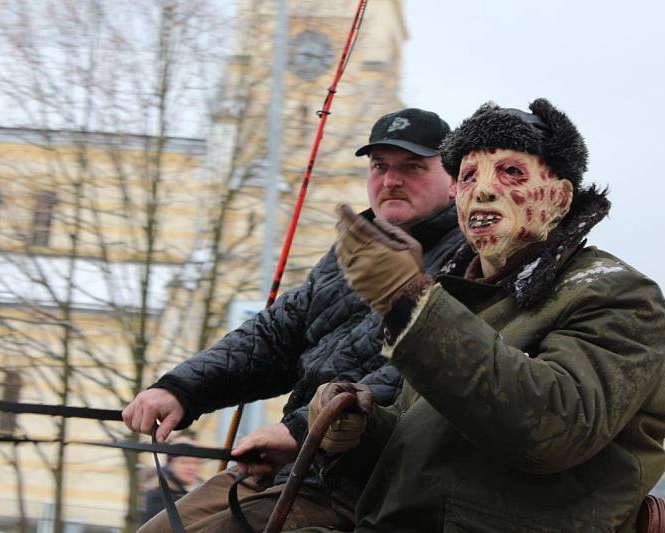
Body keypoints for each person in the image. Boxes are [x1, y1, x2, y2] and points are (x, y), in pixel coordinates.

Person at [307, 99, 665, 532]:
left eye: (511, 173)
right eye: (467, 176)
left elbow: (553, 428)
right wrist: (362, 430)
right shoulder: (461, 301)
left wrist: (412, 303)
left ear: (559, 197)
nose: (482, 190)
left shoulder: (619, 293)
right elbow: (435, 450)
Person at [123, 108, 465, 532]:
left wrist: (301, 432)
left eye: (412, 167)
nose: (391, 180)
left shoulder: (468, 259)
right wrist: (180, 389)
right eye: (379, 166)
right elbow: (274, 334)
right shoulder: (348, 253)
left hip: (361, 488)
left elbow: (414, 379)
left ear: (453, 181)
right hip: (289, 472)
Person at [141, 435, 202, 524]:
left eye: (195, 463)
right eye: (184, 462)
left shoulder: (197, 493)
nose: (191, 467)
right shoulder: (158, 496)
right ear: (170, 464)